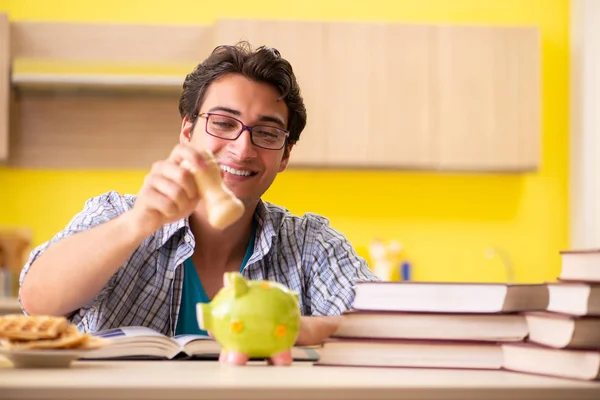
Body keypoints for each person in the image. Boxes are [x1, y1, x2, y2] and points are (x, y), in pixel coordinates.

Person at [18, 41, 380, 346]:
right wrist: (137, 224)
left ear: (285, 155)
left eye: (268, 133)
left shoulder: (311, 246)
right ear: (188, 132)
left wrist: (298, 330)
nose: (241, 150)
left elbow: (388, 326)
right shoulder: (116, 213)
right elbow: (36, 302)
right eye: (223, 123)